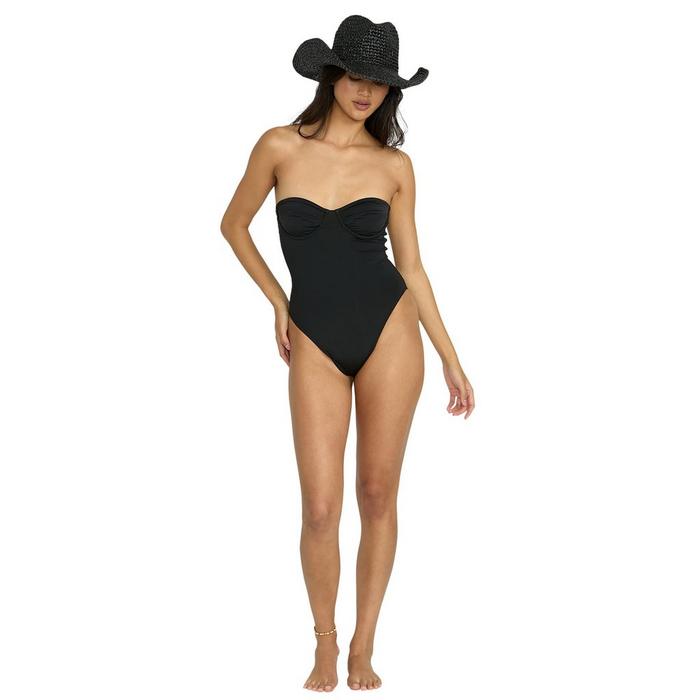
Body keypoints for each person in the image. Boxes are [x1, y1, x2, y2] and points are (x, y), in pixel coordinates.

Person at [220, 14, 475, 692]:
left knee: (377, 494)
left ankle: (364, 644)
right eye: (357, 76)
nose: (367, 91)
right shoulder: (279, 145)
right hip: (314, 332)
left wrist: (450, 357)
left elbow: (412, 268)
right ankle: (325, 643)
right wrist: (278, 301)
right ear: (332, 74)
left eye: (381, 82)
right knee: (320, 508)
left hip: (391, 328)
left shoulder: (394, 166)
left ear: (391, 92)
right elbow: (233, 224)